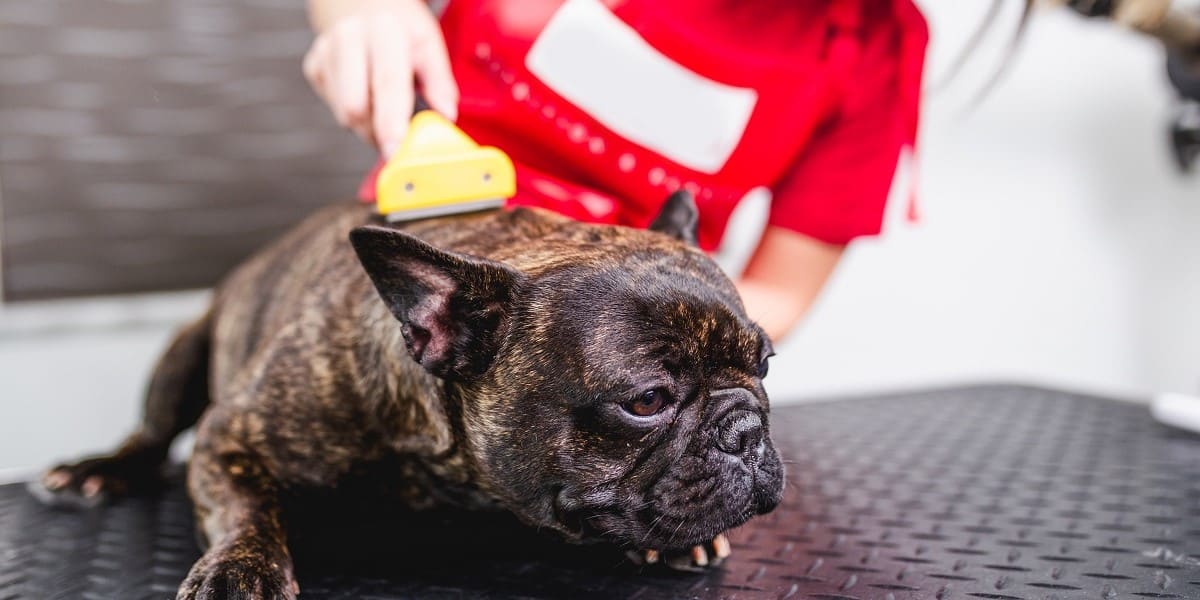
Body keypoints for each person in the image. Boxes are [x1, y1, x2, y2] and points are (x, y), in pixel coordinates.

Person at [304, 0, 928, 341]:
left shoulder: (874, 47)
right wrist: (358, 11)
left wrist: (638, 340)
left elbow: (782, 294)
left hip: (611, 363)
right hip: (419, 284)